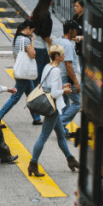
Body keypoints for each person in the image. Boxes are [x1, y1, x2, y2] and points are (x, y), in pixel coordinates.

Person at [28, 44, 78, 176]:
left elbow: (48, 86)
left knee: (61, 135)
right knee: (43, 136)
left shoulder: (47, 67)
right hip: (53, 108)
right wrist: (65, 90)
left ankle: (70, 159)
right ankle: (33, 164)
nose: (64, 56)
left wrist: (62, 86)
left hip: (51, 104)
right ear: (56, 56)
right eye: (62, 54)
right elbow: (55, 93)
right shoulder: (56, 70)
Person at [0, 20, 43, 126]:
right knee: (15, 97)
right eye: (32, 31)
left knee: (31, 95)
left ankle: (37, 118)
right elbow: (33, 54)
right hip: (24, 74)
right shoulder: (25, 40)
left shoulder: (16, 38)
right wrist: (32, 42)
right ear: (27, 28)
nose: (32, 33)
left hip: (21, 71)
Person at [53, 21, 82, 128]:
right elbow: (68, 65)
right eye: (75, 30)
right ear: (70, 31)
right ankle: (60, 124)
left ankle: (63, 131)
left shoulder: (58, 40)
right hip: (66, 78)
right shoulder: (68, 45)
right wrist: (76, 82)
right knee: (78, 103)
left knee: (64, 105)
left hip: (59, 76)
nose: (77, 32)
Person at [31, 0, 55, 77]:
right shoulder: (46, 14)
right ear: (49, 1)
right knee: (40, 73)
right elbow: (44, 33)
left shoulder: (36, 10)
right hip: (40, 47)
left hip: (36, 44)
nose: (53, 1)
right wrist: (51, 44)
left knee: (44, 70)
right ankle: (35, 89)